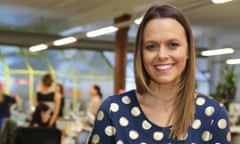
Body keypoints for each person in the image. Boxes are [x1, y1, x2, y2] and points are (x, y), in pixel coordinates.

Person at [88, 5, 231, 144]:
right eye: (151, 46)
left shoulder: (212, 115)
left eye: (173, 45)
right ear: (141, 53)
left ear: (188, 51)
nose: (162, 55)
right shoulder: (113, 111)